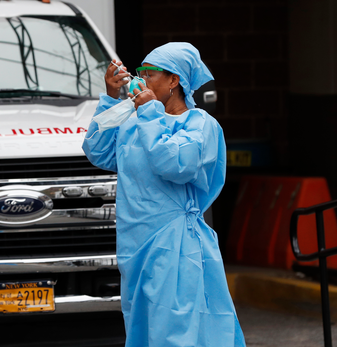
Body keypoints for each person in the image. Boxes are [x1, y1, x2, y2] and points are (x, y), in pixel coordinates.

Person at [82, 43, 246, 347]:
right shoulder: (135, 120)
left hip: (174, 243)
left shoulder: (200, 125)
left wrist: (148, 112)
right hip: (134, 243)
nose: (141, 80)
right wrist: (110, 97)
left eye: (150, 73)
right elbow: (98, 151)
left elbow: (173, 164)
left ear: (174, 81)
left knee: (175, 327)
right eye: (140, 72)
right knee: (142, 326)